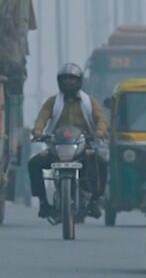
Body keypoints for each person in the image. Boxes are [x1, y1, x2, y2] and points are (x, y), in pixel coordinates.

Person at [28, 63, 108, 219]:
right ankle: (43, 202)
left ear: (79, 81)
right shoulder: (53, 102)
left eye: (72, 79)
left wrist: (99, 132)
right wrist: (38, 131)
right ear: (59, 82)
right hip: (56, 148)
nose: (68, 83)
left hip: (83, 147)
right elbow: (42, 117)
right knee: (33, 164)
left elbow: (101, 118)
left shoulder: (89, 102)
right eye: (65, 80)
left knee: (102, 165)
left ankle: (95, 200)